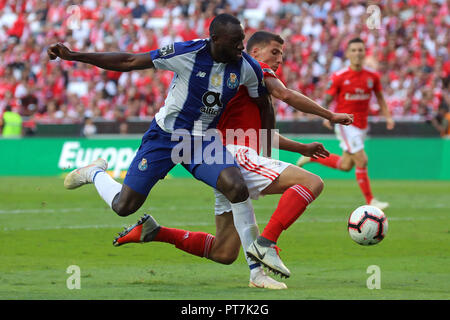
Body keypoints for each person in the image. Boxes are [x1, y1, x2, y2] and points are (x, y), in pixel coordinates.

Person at [113, 31, 353, 289]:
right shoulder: (253, 68)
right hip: (234, 155)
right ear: (255, 51)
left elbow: (261, 136)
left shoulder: (239, 81)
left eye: (282, 55)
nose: (279, 59)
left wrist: (300, 147)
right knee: (312, 183)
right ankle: (265, 244)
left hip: (221, 159)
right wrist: (329, 114)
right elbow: (286, 95)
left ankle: (154, 231)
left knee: (223, 252)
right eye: (274, 52)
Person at [48, 14, 281, 271]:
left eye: (242, 40)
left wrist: (266, 150)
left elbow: (264, 104)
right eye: (235, 41)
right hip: (165, 137)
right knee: (124, 206)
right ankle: (94, 173)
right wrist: (76, 56)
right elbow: (129, 60)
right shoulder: (187, 52)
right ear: (214, 39)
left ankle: (256, 272)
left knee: (236, 186)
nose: (241, 47)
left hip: (203, 142)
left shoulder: (247, 67)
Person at [297, 37, 394, 210]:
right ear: (348, 54)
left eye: (360, 50)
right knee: (362, 160)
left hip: (362, 126)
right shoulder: (339, 76)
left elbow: (380, 98)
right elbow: (327, 98)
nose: (357, 53)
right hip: (346, 124)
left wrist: (388, 117)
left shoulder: (372, 76)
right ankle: (370, 200)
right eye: (354, 50)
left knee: (346, 165)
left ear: (365, 53)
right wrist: (327, 116)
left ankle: (313, 157)